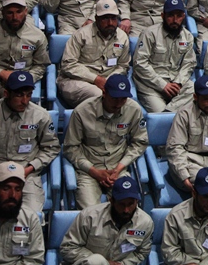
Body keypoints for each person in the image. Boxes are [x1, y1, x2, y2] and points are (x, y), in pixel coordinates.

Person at [63, 74, 148, 209]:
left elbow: (140, 142)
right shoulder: (82, 112)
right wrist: (94, 172)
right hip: (89, 170)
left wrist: (120, 167)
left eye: (123, 99)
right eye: (114, 98)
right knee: (90, 213)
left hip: (117, 170)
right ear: (104, 93)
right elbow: (70, 148)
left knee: (128, 209)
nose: (119, 103)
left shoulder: (134, 110)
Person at [0, 72, 60, 212]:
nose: (25, 101)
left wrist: (30, 168)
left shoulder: (40, 116)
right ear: (6, 93)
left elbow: (51, 148)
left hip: (26, 173)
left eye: (29, 94)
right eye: (19, 95)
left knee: (32, 216)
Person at [59, 175, 154, 265]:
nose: (126, 210)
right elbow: (68, 248)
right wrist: (104, 264)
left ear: (136, 201)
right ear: (111, 201)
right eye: (121, 204)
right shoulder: (89, 216)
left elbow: (141, 252)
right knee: (96, 262)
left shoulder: (145, 223)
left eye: (130, 204)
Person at [166, 75, 208, 194]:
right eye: (206, 99)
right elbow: (175, 148)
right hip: (189, 161)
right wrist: (184, 176)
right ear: (195, 97)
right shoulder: (184, 114)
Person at [57, 0, 131, 108]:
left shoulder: (122, 37)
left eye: (113, 18)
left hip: (108, 81)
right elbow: (68, 65)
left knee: (126, 101)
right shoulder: (81, 35)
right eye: (105, 18)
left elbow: (123, 66)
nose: (110, 23)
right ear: (96, 18)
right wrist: (95, 79)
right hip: (77, 81)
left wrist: (108, 81)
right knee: (102, 97)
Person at [131, 0, 196, 113]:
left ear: (183, 17)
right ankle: (169, 114)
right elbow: (139, 64)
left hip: (175, 84)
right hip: (151, 85)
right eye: (171, 15)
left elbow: (189, 63)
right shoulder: (150, 33)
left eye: (179, 16)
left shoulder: (188, 37)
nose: (175, 20)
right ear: (162, 16)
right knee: (160, 113)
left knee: (194, 89)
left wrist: (178, 82)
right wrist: (163, 85)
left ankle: (168, 113)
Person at [0, 0, 49, 106]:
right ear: (2, 12)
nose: (15, 17)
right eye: (10, 12)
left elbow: (41, 65)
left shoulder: (37, 36)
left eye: (19, 12)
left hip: (21, 87)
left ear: (26, 11)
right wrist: (0, 73)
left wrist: (25, 79)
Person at [0, 162, 44, 265]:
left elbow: (33, 258)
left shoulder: (30, 219)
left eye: (18, 189)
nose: (12, 195)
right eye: (6, 188)